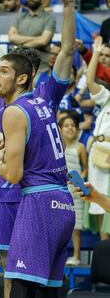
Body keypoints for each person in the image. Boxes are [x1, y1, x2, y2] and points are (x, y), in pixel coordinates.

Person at [0, 0, 75, 295]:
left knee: (24, 273)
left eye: (4, 70)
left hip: (30, 187)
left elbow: (66, 52)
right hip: (6, 191)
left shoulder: (42, 97)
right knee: (11, 267)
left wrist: (68, 7)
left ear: (25, 78)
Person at [85, 36, 110, 240]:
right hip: (97, 154)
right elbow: (90, 81)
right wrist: (95, 53)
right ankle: (104, 247)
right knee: (98, 202)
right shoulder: (107, 98)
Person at [58, 115, 88, 266]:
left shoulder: (80, 147)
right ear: (60, 129)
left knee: (76, 226)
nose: (70, 128)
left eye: (73, 125)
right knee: (60, 225)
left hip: (75, 191)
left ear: (76, 130)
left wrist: (79, 181)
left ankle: (76, 256)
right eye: (66, 125)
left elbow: (85, 168)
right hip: (61, 189)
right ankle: (59, 257)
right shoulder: (58, 148)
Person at [8, 0, 56, 74]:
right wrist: (37, 38)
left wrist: (20, 47)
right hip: (18, 66)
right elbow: (12, 37)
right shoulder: (20, 17)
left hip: (41, 68)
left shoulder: (49, 18)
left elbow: (43, 41)